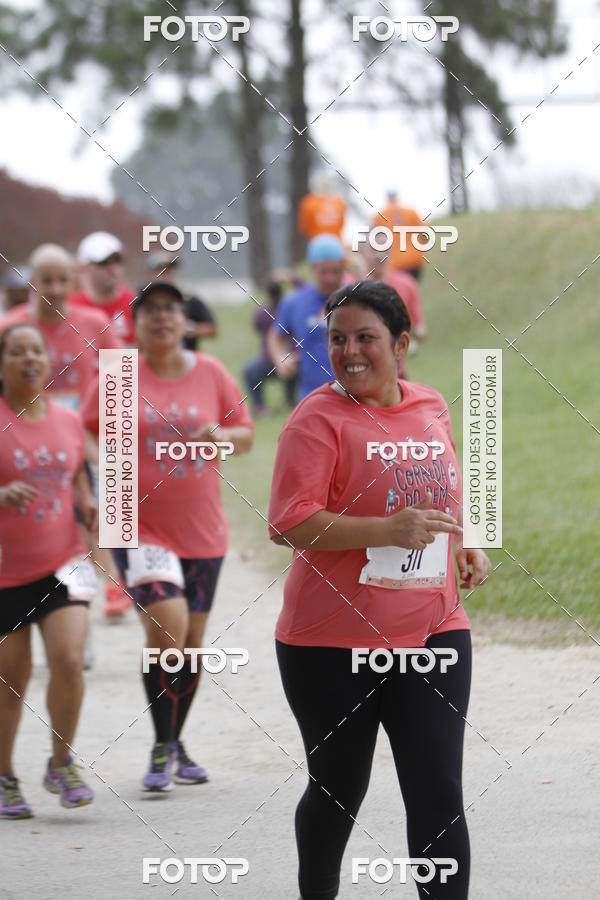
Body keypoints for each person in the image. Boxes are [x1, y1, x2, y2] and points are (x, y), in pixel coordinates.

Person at [268, 280, 491, 899]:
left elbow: (443, 484)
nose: (349, 352)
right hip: (330, 642)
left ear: (401, 343)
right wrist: (386, 530)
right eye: (337, 339)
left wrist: (464, 541)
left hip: (434, 628)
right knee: (339, 789)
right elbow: (288, 521)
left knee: (438, 791)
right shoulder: (317, 418)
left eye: (366, 338)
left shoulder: (430, 405)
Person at [82, 281, 254, 792]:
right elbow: (86, 430)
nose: (161, 317)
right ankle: (161, 746)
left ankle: (174, 742)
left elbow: (243, 432)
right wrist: (104, 463)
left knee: (193, 645)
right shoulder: (118, 376)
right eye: (150, 310)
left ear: (185, 321)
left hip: (202, 529)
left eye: (170, 310)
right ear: (136, 323)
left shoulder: (212, 373)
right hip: (136, 525)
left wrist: (220, 437)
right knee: (168, 626)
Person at [0, 244, 129, 623]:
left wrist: (115, 434)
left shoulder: (92, 323)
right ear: (31, 283)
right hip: (26, 427)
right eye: (46, 280)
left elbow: (120, 378)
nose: (54, 288)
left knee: (105, 489)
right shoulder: (10, 326)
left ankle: (114, 580)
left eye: (62, 280)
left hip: (82, 426)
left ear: (73, 280)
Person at [0, 323, 97, 818]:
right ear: (2, 363)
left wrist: (92, 509)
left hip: (64, 563)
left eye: (35, 350)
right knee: (10, 682)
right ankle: (4, 777)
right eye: (16, 352)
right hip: (4, 575)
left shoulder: (65, 419)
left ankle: (61, 763)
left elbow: (81, 479)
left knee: (69, 659)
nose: (28, 359)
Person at [267, 234, 345, 402]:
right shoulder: (294, 302)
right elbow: (276, 336)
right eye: (324, 271)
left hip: (356, 394)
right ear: (312, 269)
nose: (330, 278)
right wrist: (281, 358)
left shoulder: (357, 297)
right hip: (313, 396)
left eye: (336, 271)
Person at [69, 231, 136, 345]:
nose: (112, 268)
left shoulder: (136, 303)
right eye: (103, 262)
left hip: (128, 363)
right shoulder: (70, 306)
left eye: (117, 260)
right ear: (84, 267)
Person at [243, 280, 296, 415]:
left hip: (267, 362)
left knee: (249, 372)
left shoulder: (262, 313)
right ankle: (290, 401)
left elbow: (257, 327)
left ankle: (259, 406)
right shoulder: (289, 311)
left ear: (268, 294)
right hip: (290, 360)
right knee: (295, 370)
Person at [146, 252, 217, 351]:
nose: (166, 275)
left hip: (186, 358)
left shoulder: (189, 299)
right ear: (151, 274)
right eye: (161, 271)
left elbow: (212, 329)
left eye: (169, 270)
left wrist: (188, 328)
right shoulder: (142, 302)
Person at [360, 243, 427, 342]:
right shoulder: (348, 285)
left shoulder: (407, 283)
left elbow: (420, 329)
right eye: (373, 250)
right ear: (362, 253)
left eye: (384, 250)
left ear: (390, 253)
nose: (379, 255)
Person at [372, 190, 427, 281]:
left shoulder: (378, 216)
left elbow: (373, 240)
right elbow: (424, 234)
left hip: (395, 263)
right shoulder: (411, 212)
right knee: (411, 288)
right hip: (415, 260)